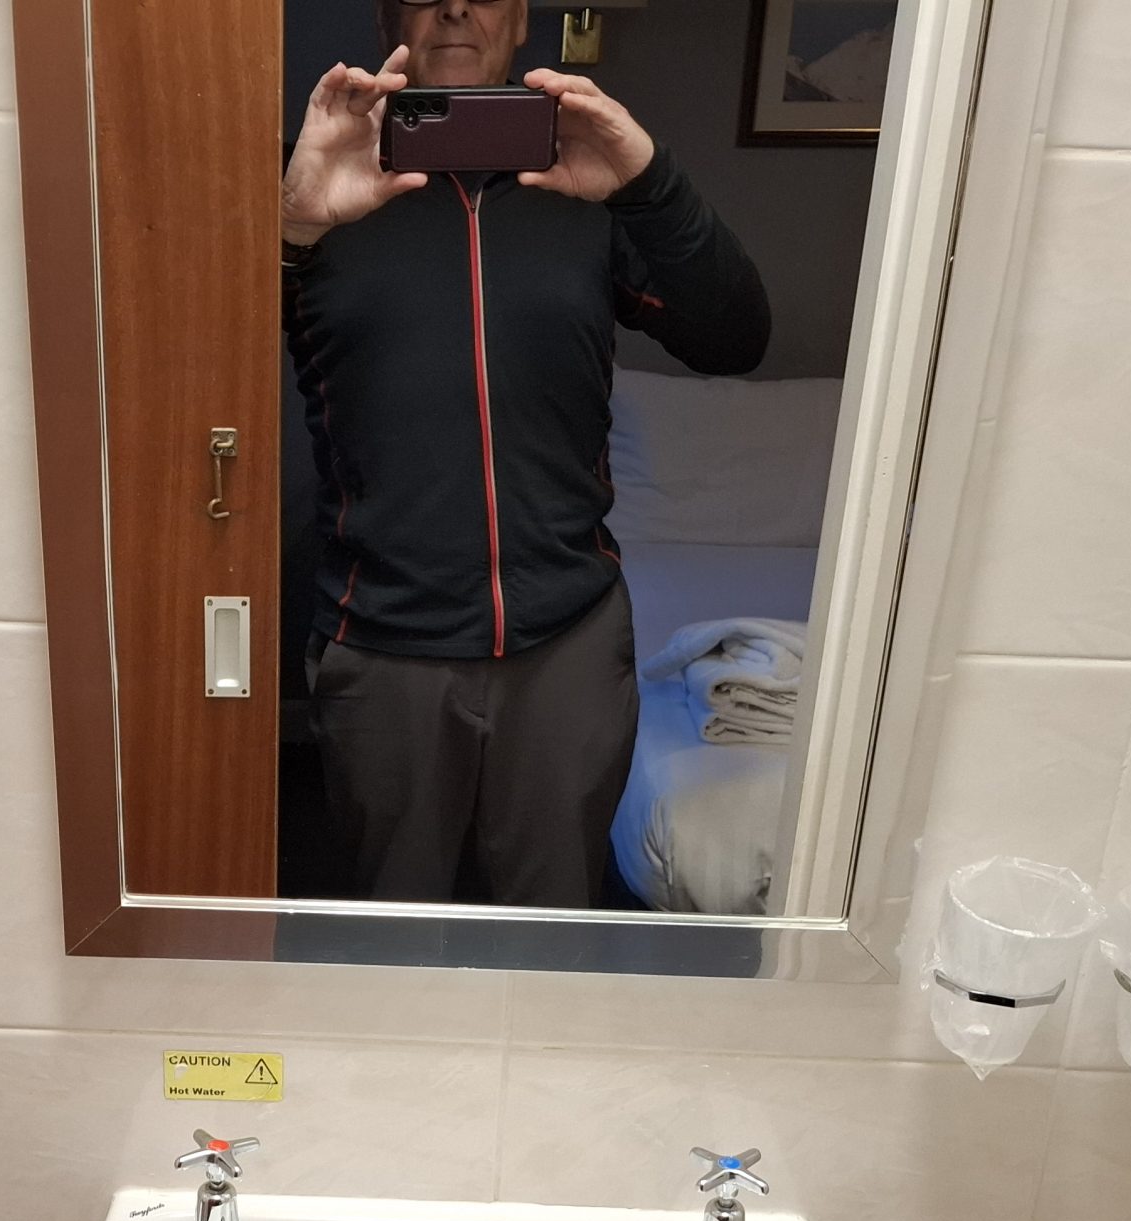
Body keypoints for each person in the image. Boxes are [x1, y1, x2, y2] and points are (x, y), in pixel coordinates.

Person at [282, 0, 770, 908]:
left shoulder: (583, 189)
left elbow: (735, 337)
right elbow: (190, 385)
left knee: (552, 934)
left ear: (520, 25)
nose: (455, 6)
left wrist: (648, 182)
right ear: (390, 20)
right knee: (390, 931)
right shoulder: (316, 183)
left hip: (567, 644)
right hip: (382, 643)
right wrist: (291, 229)